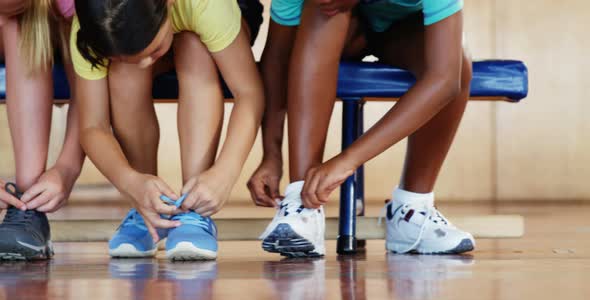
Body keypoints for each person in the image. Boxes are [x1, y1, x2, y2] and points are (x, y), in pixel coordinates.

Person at [251, 0, 474, 257]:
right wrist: (271, 153)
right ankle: (302, 204)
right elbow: (278, 59)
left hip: (403, 32)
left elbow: (445, 80)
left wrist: (349, 159)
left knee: (457, 61)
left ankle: (412, 209)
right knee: (322, 9)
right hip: (340, 34)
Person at [73, 0, 264, 260]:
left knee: (193, 46)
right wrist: (129, 181)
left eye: (151, 53)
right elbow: (92, 125)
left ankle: (193, 209)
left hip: (226, 13)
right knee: (125, 72)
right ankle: (148, 205)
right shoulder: (96, 24)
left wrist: (225, 173)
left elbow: (249, 93)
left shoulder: (207, 6)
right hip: (153, 25)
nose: (145, 65)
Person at [0, 0, 84, 261]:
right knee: (15, 24)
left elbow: (90, 93)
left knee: (19, 26)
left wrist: (66, 169)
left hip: (59, 29)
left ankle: (28, 200)